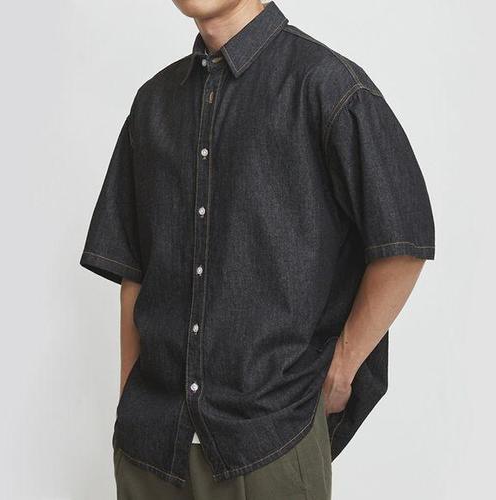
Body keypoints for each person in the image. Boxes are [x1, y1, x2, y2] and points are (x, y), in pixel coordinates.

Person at [80, 1, 435, 498]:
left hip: (270, 443)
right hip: (151, 450)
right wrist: (130, 404)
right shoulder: (154, 102)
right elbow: (134, 270)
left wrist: (343, 365)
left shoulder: (327, 86)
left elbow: (403, 242)